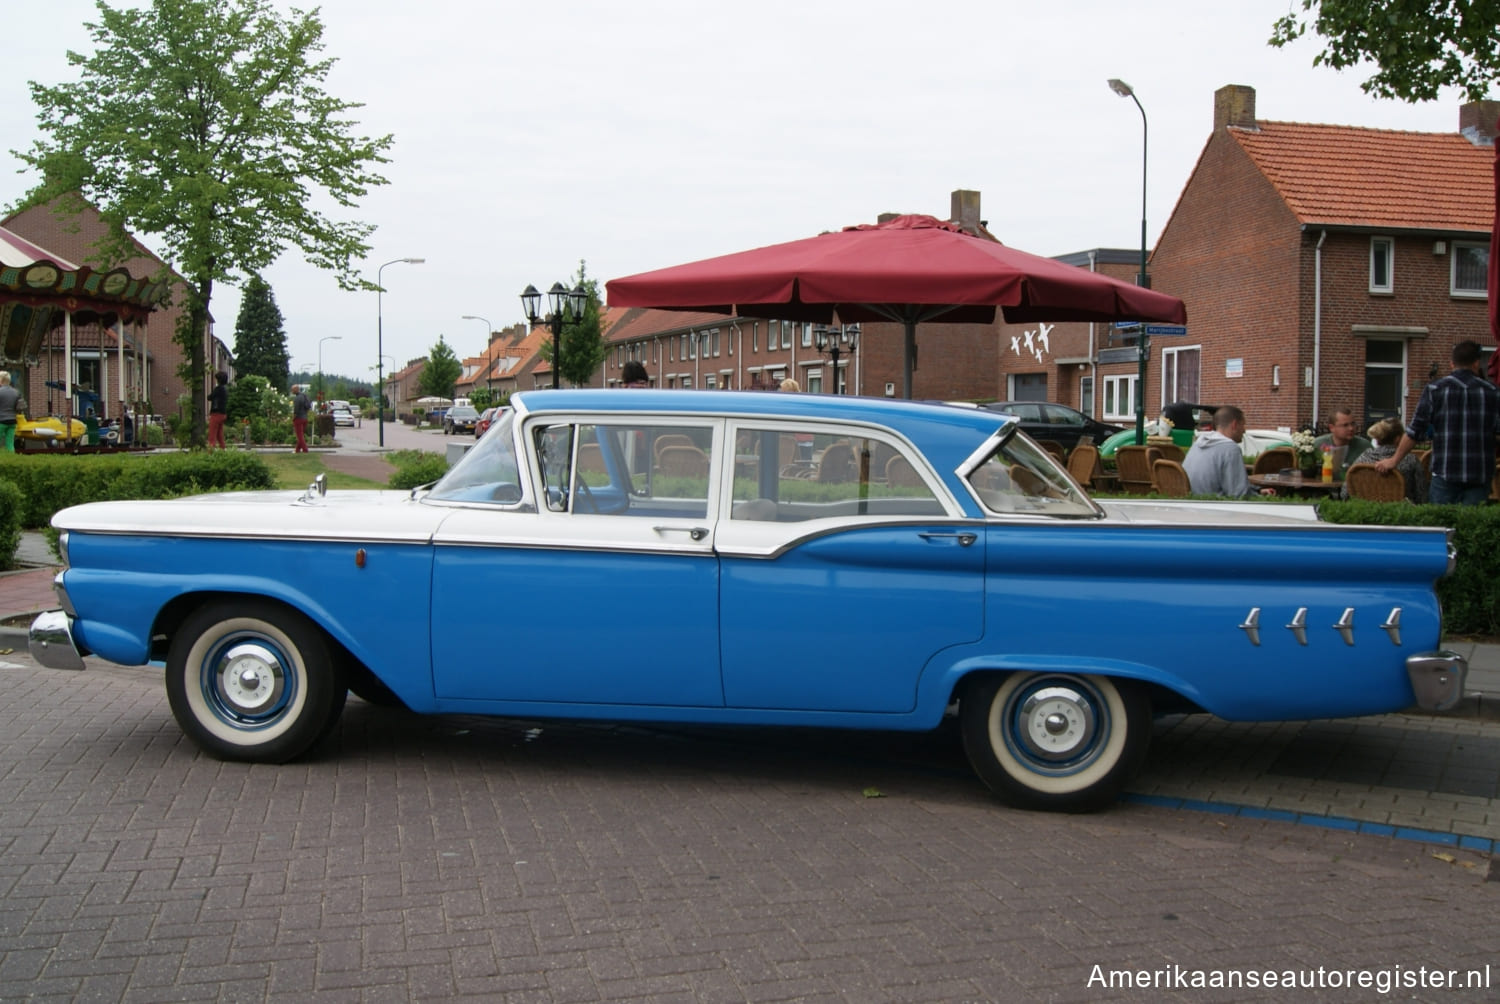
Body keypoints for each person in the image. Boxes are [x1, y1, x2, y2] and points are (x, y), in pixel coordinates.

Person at [1376, 340, 1500, 505]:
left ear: (1451, 363)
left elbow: (1414, 432)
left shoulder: (1435, 390)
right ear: (1477, 363)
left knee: (1441, 523)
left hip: (1445, 471)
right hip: (1479, 472)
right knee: (1472, 525)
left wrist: (1393, 460)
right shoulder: (1492, 392)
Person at [1181, 406, 1273, 498]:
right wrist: (1262, 497)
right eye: (1243, 425)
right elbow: (1239, 494)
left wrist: (1256, 490)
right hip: (1217, 508)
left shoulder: (1197, 444)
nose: (1244, 430)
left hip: (1191, 503)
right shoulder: (1231, 449)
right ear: (1234, 425)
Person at [1344, 416, 1426, 504]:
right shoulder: (1410, 460)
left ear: (1378, 439)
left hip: (1367, 510)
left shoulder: (1363, 458)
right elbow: (1421, 494)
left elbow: (1345, 493)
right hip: (1400, 511)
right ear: (1398, 438)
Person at [1313, 407, 1371, 481]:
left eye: (1353, 424)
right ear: (1332, 428)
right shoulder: (1317, 444)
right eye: (1345, 425)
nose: (1351, 428)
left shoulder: (1364, 446)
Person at [207, 371, 229, 449]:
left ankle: (210, 453)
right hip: (223, 414)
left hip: (216, 414)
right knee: (219, 435)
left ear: (219, 380)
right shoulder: (225, 390)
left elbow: (210, 397)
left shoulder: (218, 389)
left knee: (212, 435)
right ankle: (223, 450)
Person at [0, 372, 19, 453]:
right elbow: (20, 406)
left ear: (1, 380)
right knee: (10, 444)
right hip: (12, 421)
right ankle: (11, 460)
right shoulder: (16, 392)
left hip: (1, 421)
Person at [291, 384, 312, 453]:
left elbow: (296, 410)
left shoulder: (297, 398)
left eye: (292, 389)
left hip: (298, 419)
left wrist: (293, 418)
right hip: (305, 418)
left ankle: (305, 450)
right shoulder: (304, 396)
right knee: (301, 435)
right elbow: (308, 406)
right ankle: (297, 450)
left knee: (299, 436)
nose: (291, 391)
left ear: (296, 389)